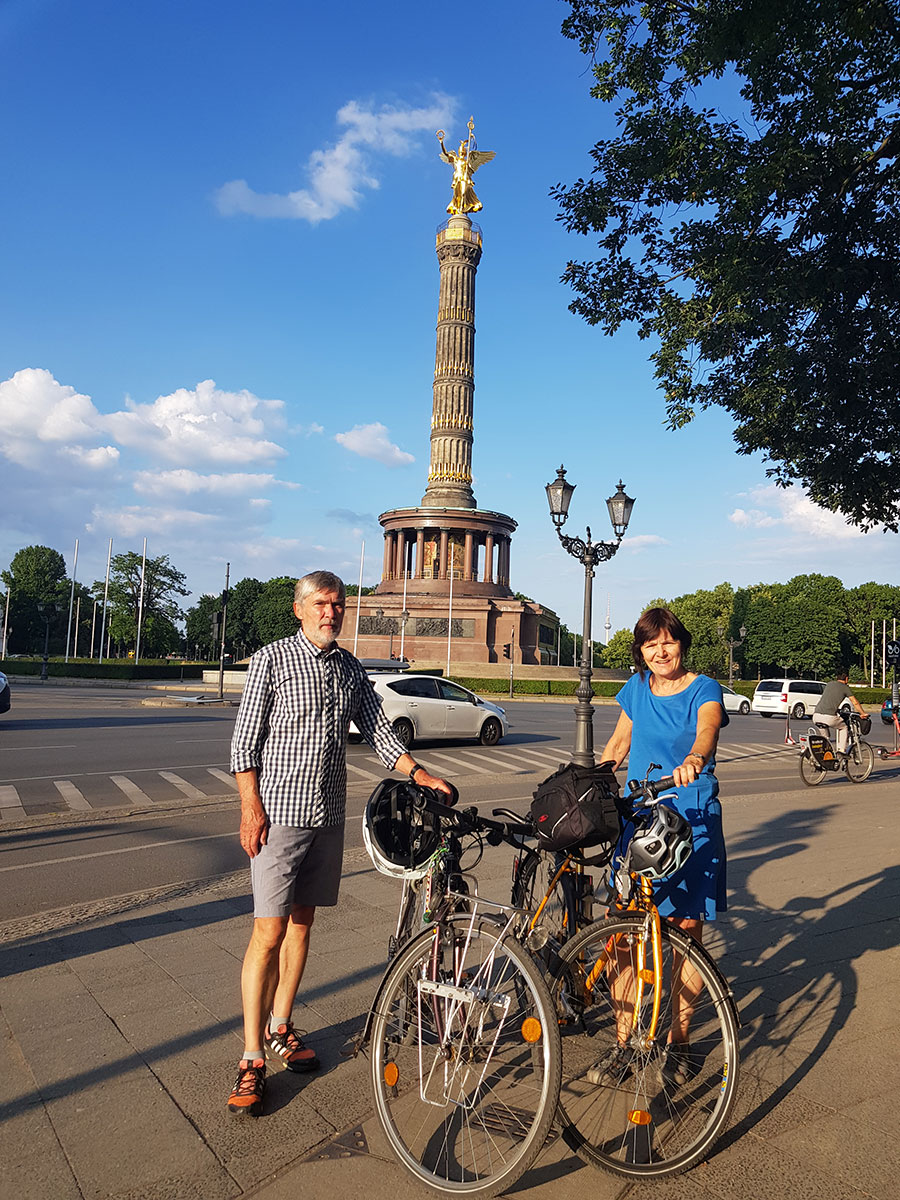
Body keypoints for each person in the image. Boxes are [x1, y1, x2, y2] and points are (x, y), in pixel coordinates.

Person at [226, 570, 453, 1117]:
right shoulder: (272, 660)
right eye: (321, 604)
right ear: (300, 609)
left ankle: (282, 1025)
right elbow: (243, 744)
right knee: (268, 931)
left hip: (327, 817)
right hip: (279, 816)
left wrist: (419, 773)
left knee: (302, 925)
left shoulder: (350, 669)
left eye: (338, 605)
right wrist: (250, 807)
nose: (331, 613)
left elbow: (377, 730)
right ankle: (251, 1055)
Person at [590, 607, 727, 1087]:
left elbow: (708, 729)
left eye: (668, 642)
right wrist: (589, 783)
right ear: (641, 652)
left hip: (691, 818)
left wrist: (695, 757)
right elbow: (617, 746)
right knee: (623, 933)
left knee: (686, 930)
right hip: (641, 817)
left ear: (681, 644)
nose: (661, 652)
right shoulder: (636, 689)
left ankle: (680, 1038)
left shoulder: (703, 688)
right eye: (651, 645)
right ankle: (624, 1042)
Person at [813, 670, 866, 753]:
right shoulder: (845, 687)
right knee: (843, 728)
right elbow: (855, 702)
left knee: (825, 738)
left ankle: (823, 754)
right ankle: (842, 751)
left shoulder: (829, 684)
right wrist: (863, 713)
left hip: (816, 716)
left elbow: (829, 699)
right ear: (847, 678)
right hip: (829, 717)